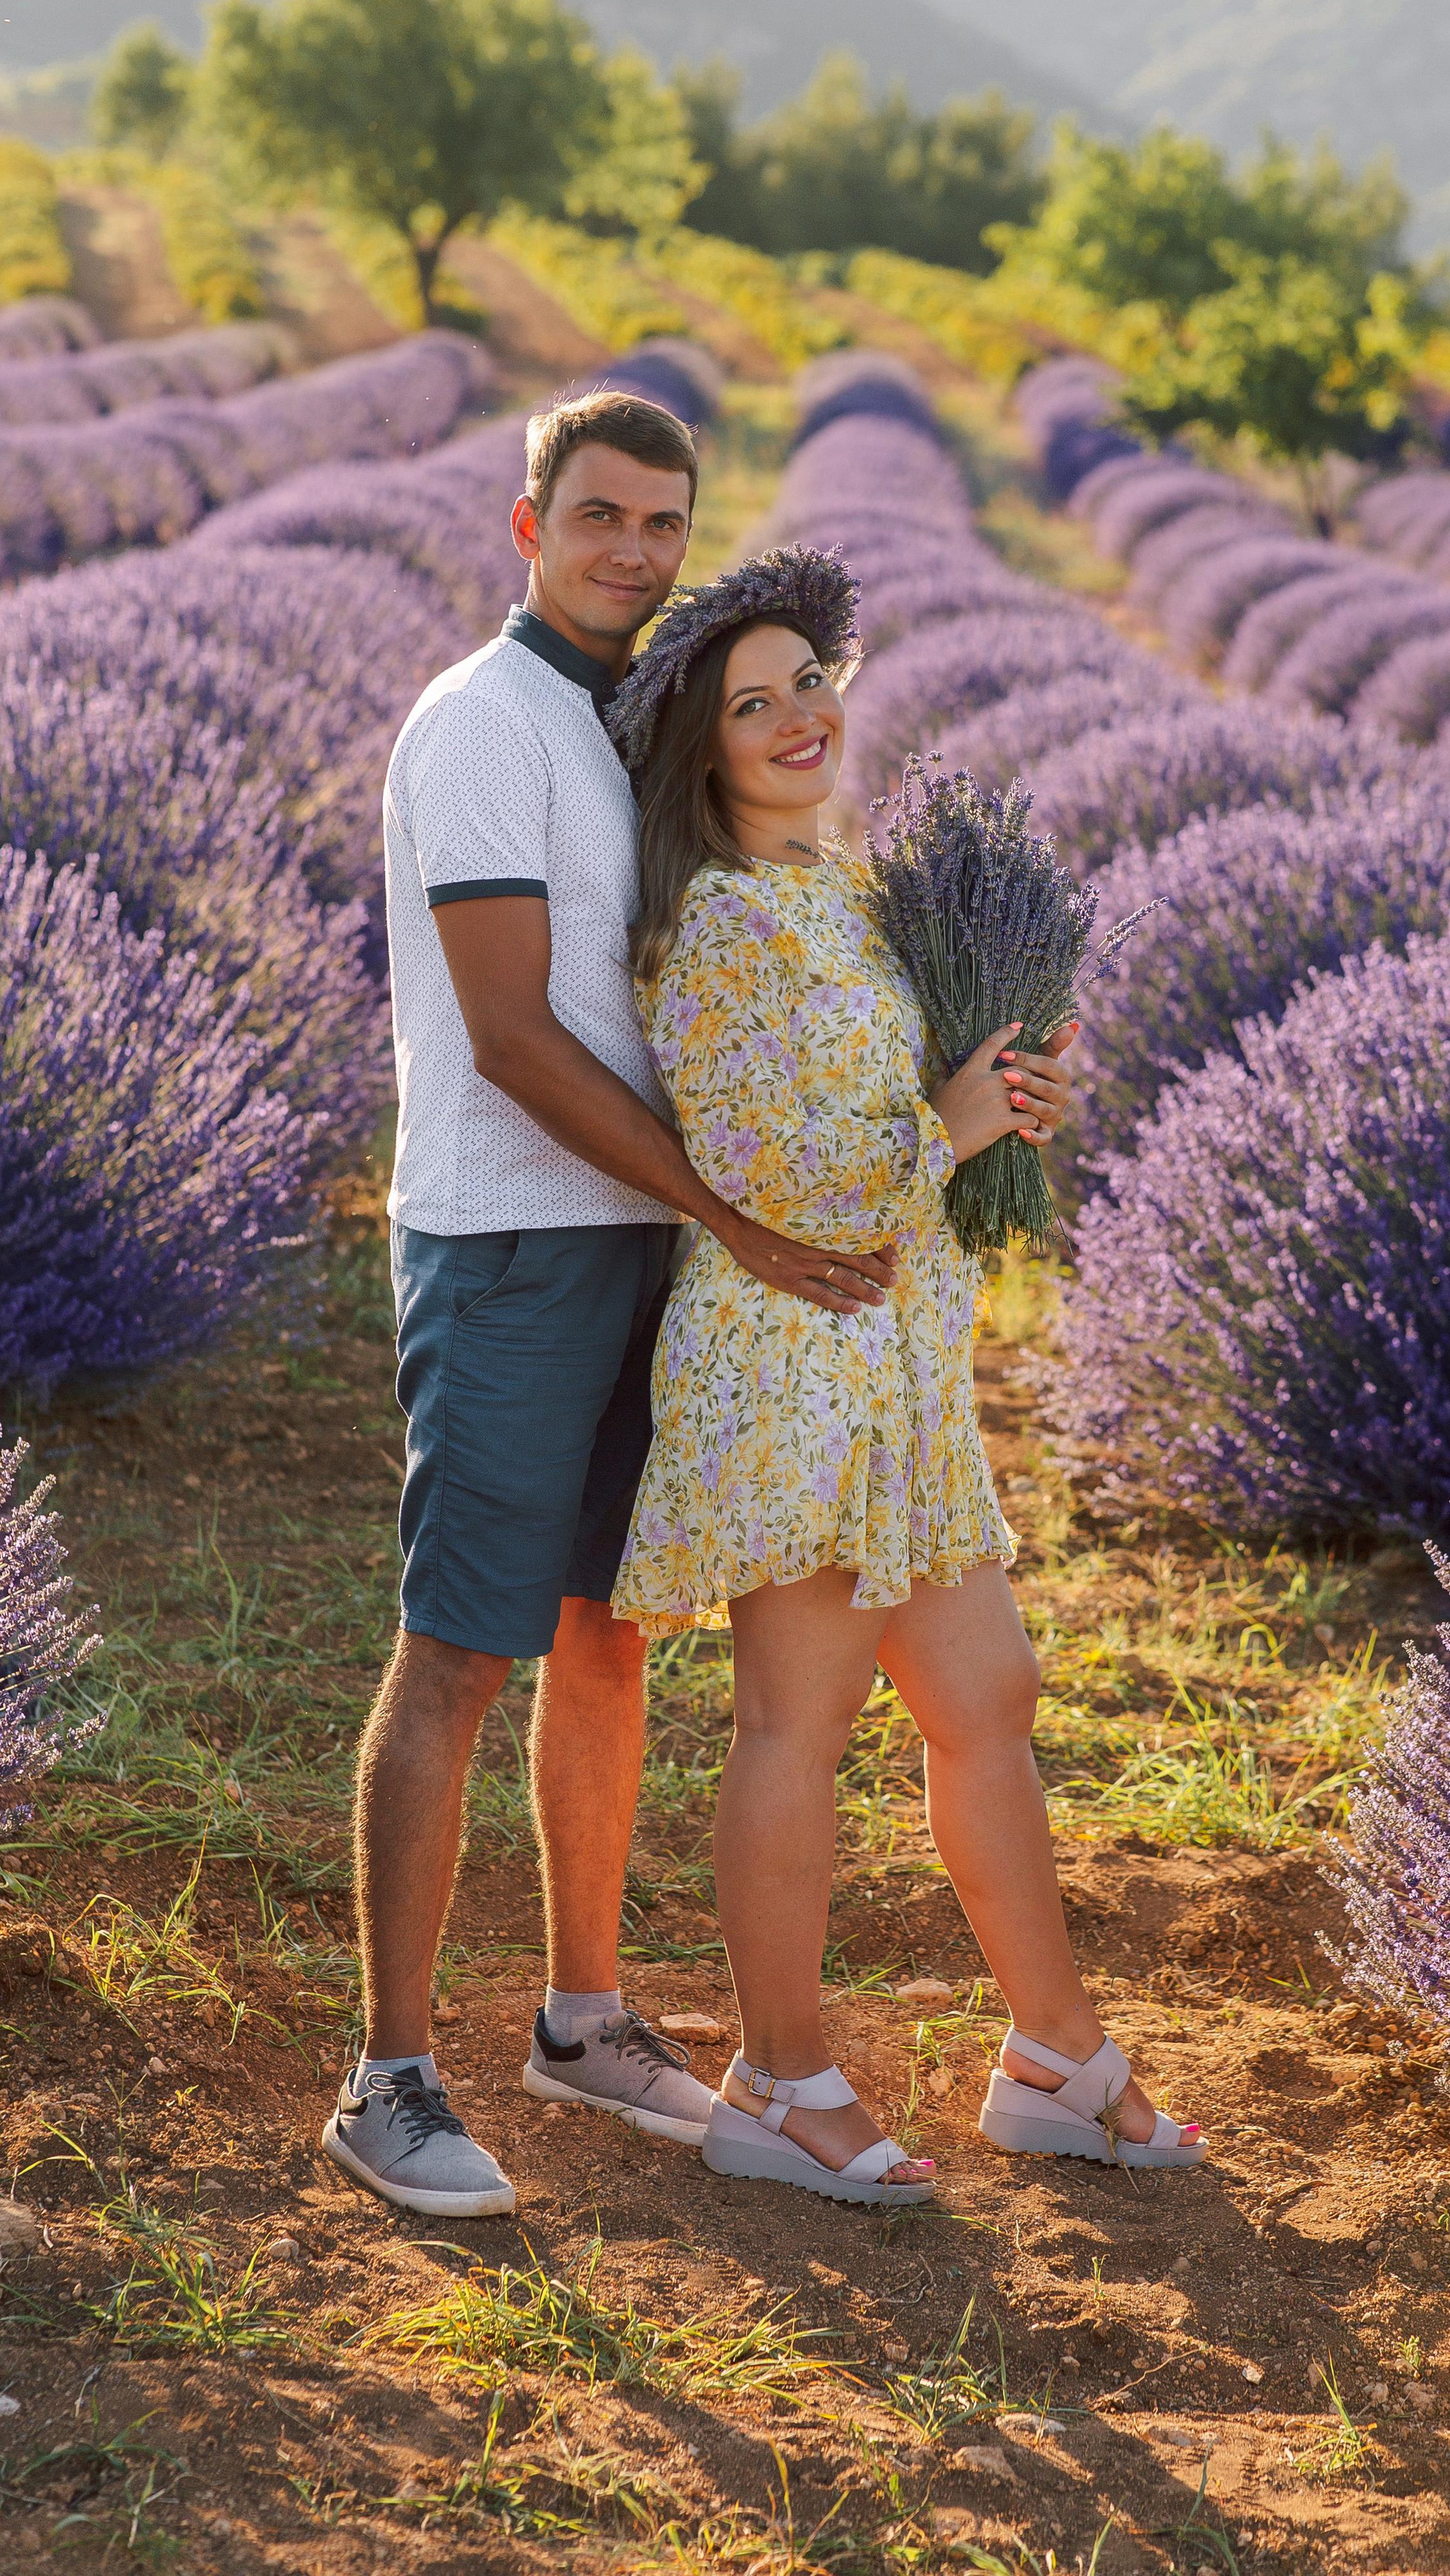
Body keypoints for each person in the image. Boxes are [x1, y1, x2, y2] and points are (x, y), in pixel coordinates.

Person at [323, 395, 903, 2219]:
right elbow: (507, 1037)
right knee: (458, 1652)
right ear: (526, 525)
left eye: (666, 523)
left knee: (608, 1633)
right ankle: (388, 2077)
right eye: (600, 516)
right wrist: (725, 1199)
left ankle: (582, 2019)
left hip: (651, 1239)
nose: (636, 551)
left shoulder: (635, 720)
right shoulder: (483, 725)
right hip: (511, 1245)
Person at [603, 547, 1209, 2205]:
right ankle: (778, 2082)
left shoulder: (848, 890)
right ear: (699, 751)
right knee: (798, 1722)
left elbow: (903, 1135)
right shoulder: (715, 923)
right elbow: (772, 1179)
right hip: (794, 1362)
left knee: (986, 1697)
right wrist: (945, 1122)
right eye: (753, 702)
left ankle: (1049, 2060)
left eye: (809, 681)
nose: (799, 716)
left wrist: (997, 1097)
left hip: (902, 1363)